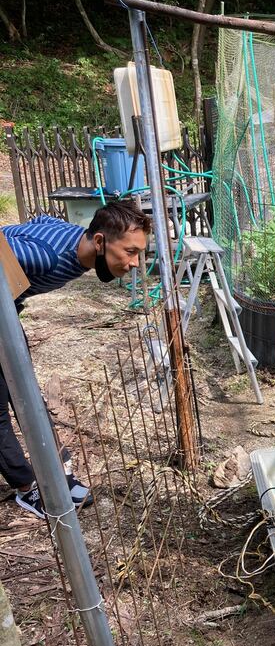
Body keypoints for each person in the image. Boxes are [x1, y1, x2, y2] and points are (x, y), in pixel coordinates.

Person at [1, 199, 151, 518]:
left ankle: (56, 474)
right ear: (99, 241)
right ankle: (27, 489)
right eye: (130, 252)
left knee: (26, 394)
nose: (136, 263)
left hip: (6, 311)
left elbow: (40, 220)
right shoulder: (45, 257)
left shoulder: (76, 241)